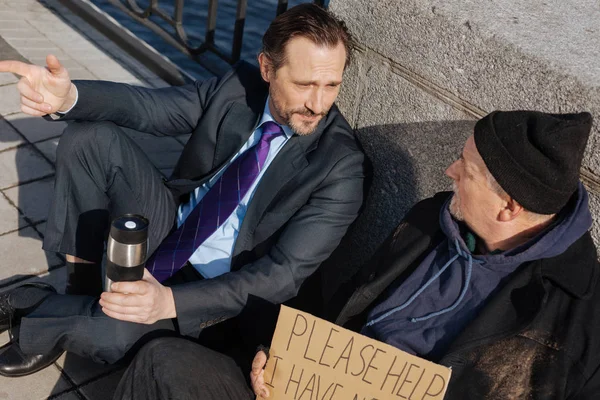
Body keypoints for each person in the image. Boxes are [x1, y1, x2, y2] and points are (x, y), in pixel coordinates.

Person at [112, 110, 600, 400]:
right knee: (164, 361)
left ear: (509, 206)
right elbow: (337, 315)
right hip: (315, 389)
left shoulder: (576, 320)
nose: (450, 170)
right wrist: (280, 361)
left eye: (466, 168)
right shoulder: (432, 219)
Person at [0, 4, 367, 376]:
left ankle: (31, 307)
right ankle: (79, 296)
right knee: (87, 138)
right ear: (268, 69)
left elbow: (282, 274)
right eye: (305, 84)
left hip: (219, 290)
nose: (318, 104)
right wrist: (68, 99)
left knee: (112, 336)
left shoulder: (341, 166)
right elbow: (151, 108)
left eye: (331, 85)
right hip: (171, 227)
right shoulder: (239, 89)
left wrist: (168, 302)